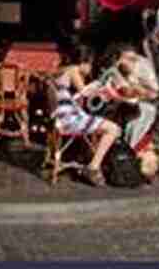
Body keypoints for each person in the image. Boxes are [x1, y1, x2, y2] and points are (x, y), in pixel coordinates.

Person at [52, 43, 121, 187]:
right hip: (70, 120)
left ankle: (91, 161)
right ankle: (93, 166)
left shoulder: (60, 71)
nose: (90, 68)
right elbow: (85, 92)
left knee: (104, 125)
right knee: (113, 129)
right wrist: (102, 86)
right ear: (83, 62)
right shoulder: (73, 70)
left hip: (61, 117)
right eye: (90, 64)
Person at [105, 45, 159, 150]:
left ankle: (131, 148)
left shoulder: (141, 68)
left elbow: (154, 93)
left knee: (146, 112)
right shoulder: (114, 71)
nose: (133, 63)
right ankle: (128, 148)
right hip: (117, 106)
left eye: (134, 60)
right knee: (142, 112)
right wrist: (136, 89)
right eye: (129, 59)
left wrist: (138, 89)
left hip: (136, 104)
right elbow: (126, 91)